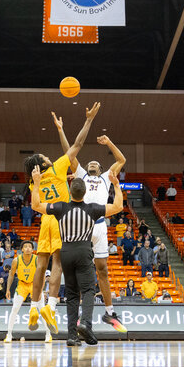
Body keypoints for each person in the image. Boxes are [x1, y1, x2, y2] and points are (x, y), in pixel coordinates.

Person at [22, 101, 100, 336]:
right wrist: (88, 120)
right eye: (45, 156)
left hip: (44, 218)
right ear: (44, 163)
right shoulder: (56, 167)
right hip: (59, 218)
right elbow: (78, 144)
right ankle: (51, 307)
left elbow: (35, 204)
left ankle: (34, 308)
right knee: (58, 264)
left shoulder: (33, 180)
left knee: (40, 265)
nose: (49, 156)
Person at [30, 162, 122, 346]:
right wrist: (117, 186)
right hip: (83, 251)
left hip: (65, 252)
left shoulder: (60, 207)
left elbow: (36, 205)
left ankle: (72, 336)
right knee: (88, 290)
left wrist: (37, 183)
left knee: (71, 294)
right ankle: (86, 324)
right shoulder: (93, 209)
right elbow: (118, 206)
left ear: (70, 192)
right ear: (85, 193)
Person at [55, 119, 128, 334]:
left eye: (96, 163)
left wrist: (109, 143)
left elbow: (121, 159)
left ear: (101, 168)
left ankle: (109, 311)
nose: (93, 163)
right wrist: (61, 130)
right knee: (81, 272)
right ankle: (79, 316)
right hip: (83, 225)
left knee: (103, 269)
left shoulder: (106, 177)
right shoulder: (81, 175)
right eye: (91, 163)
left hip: (100, 225)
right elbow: (70, 152)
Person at [4, 241, 53, 343]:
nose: (27, 248)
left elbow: (42, 275)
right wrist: (8, 289)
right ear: (21, 249)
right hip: (22, 285)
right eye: (25, 247)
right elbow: (11, 275)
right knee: (15, 309)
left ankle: (48, 334)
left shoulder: (36, 259)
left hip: (34, 285)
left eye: (29, 247)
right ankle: (9, 334)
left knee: (42, 309)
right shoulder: (16, 260)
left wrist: (41, 289)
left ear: (32, 249)